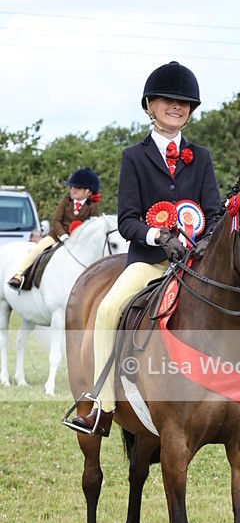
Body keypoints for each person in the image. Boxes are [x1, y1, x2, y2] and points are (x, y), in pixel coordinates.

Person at [71, 61, 222, 436]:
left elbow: (215, 214)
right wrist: (159, 237)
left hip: (196, 265)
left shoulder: (200, 157)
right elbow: (127, 220)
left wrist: (198, 242)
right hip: (149, 262)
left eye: (184, 102)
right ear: (150, 105)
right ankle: (102, 406)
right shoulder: (133, 158)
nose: (177, 106)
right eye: (169, 100)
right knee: (107, 310)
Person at [7, 168, 101, 289]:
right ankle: (19, 275)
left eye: (78, 188)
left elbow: (92, 226)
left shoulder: (92, 206)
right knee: (38, 248)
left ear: (88, 191)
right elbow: (56, 220)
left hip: (78, 241)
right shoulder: (66, 201)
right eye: (72, 187)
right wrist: (63, 235)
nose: (73, 189)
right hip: (56, 236)